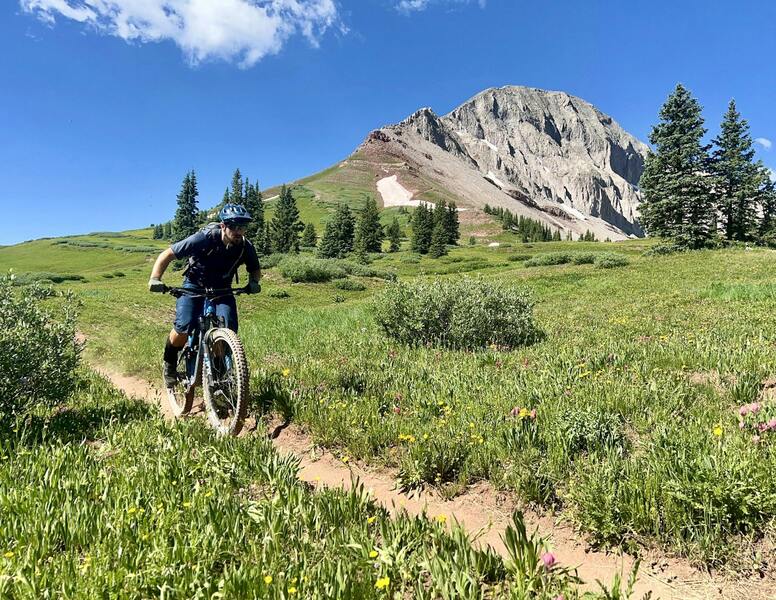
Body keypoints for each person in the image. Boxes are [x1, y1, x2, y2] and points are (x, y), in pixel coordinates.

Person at [148, 204, 261, 388]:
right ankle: (169, 364)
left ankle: (218, 379)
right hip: (194, 286)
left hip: (223, 289)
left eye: (242, 227)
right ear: (223, 225)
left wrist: (254, 283)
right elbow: (167, 255)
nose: (239, 231)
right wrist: (155, 279)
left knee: (227, 331)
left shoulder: (245, 246)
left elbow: (255, 269)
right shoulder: (204, 238)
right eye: (234, 226)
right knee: (183, 327)